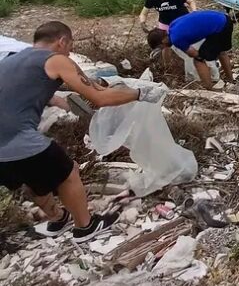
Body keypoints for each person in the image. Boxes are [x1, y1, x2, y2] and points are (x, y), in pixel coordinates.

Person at [0, 21, 160, 242]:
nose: (69, 52)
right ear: (62, 41)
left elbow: (34, 95)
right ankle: (85, 227)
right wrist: (140, 93)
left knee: (32, 177)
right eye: (69, 46)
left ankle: (58, 218)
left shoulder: (12, 60)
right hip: (18, 139)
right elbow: (99, 97)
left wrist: (74, 107)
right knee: (69, 172)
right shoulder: (56, 59)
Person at [148, 10, 235, 90]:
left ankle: (209, 88)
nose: (164, 48)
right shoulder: (172, 26)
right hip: (223, 19)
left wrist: (199, 55)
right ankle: (231, 80)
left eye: (161, 47)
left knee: (198, 60)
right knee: (221, 52)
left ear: (163, 41)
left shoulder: (176, 39)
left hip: (220, 29)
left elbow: (194, 54)